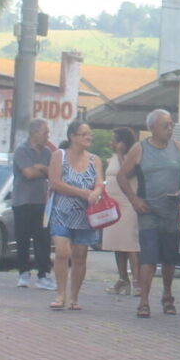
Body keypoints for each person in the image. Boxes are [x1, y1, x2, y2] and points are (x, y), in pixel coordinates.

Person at [118, 109, 180, 318]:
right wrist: (134, 200)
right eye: (165, 126)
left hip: (171, 210)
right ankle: (143, 302)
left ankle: (167, 295)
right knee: (148, 257)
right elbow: (122, 176)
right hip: (148, 210)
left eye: (171, 125)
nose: (170, 129)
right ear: (152, 128)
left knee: (169, 258)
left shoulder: (178, 148)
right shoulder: (139, 149)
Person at [46, 120, 105, 311]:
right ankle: (60, 294)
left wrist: (96, 191)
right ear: (72, 137)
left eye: (90, 134)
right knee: (62, 252)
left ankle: (74, 297)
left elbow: (99, 182)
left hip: (85, 215)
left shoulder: (94, 159)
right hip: (61, 212)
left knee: (80, 256)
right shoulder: (59, 156)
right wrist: (82, 193)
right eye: (84, 134)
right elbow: (55, 183)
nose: (89, 137)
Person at [10, 118, 55, 291]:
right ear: (34, 133)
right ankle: (23, 272)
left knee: (42, 239)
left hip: (42, 202)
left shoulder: (47, 153)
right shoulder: (22, 151)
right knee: (22, 238)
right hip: (22, 201)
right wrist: (43, 170)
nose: (47, 136)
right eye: (45, 133)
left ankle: (44, 274)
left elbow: (53, 174)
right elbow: (28, 173)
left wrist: (42, 168)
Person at [101, 127, 141, 296]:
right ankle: (122, 279)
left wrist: (120, 154)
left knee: (130, 244)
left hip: (128, 204)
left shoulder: (131, 157)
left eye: (114, 140)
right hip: (113, 206)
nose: (111, 143)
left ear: (122, 143)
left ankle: (138, 281)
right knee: (117, 244)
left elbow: (127, 174)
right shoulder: (111, 159)